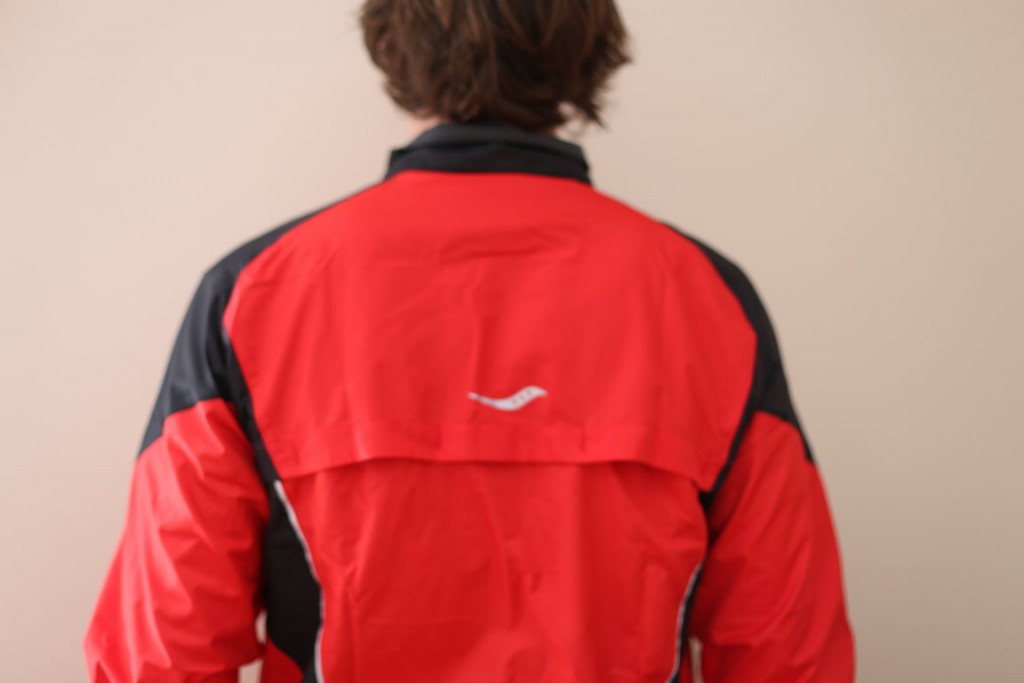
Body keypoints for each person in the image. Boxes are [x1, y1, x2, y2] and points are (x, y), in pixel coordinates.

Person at [84, 1, 855, 681]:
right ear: (589, 51)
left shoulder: (256, 293)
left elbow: (165, 649)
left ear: (390, 44)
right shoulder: (706, 299)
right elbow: (786, 651)